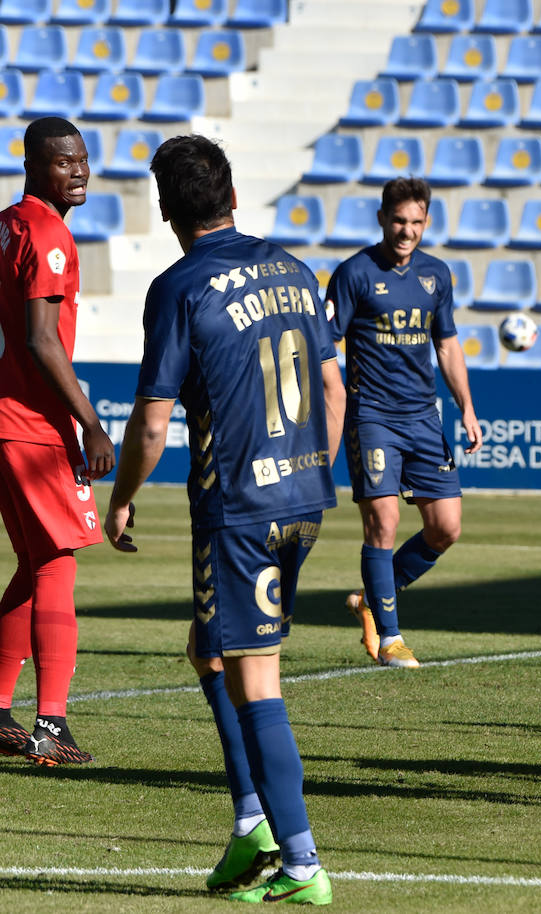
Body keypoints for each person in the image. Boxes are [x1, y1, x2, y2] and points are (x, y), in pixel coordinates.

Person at [104, 135, 344, 904]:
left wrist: (122, 496)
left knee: (254, 677)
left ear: (169, 210)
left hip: (238, 509)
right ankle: (250, 825)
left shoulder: (179, 288)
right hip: (302, 496)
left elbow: (149, 428)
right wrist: (309, 474)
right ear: (232, 192)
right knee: (209, 652)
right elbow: (336, 395)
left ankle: (302, 863)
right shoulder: (296, 270)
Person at [327, 177, 481, 669]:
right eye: (398, 221)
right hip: (372, 416)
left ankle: (373, 595)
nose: (406, 231)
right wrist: (334, 404)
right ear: (381, 219)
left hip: (422, 416)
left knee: (445, 527)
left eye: (416, 222)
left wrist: (467, 407)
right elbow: (327, 345)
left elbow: (447, 345)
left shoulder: (437, 275)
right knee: (383, 522)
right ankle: (390, 639)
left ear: (426, 222)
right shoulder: (354, 273)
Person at [0, 117, 114, 767]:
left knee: (31, 562)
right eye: (64, 162)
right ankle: (51, 724)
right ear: (35, 165)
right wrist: (90, 424)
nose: (79, 171)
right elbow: (43, 340)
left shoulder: (7, 223)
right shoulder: (46, 234)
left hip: (6, 418)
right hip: (35, 426)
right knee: (58, 562)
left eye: (83, 159)